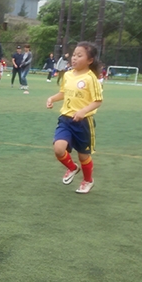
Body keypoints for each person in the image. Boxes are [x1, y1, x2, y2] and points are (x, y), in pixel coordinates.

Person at [46, 41, 103, 195]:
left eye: (79, 55)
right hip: (65, 119)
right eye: (74, 55)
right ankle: (72, 168)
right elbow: (63, 93)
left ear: (90, 60)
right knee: (59, 149)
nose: (74, 58)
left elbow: (98, 100)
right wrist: (52, 98)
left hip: (83, 123)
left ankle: (87, 180)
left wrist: (83, 111)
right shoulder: (68, 75)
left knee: (83, 155)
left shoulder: (92, 78)